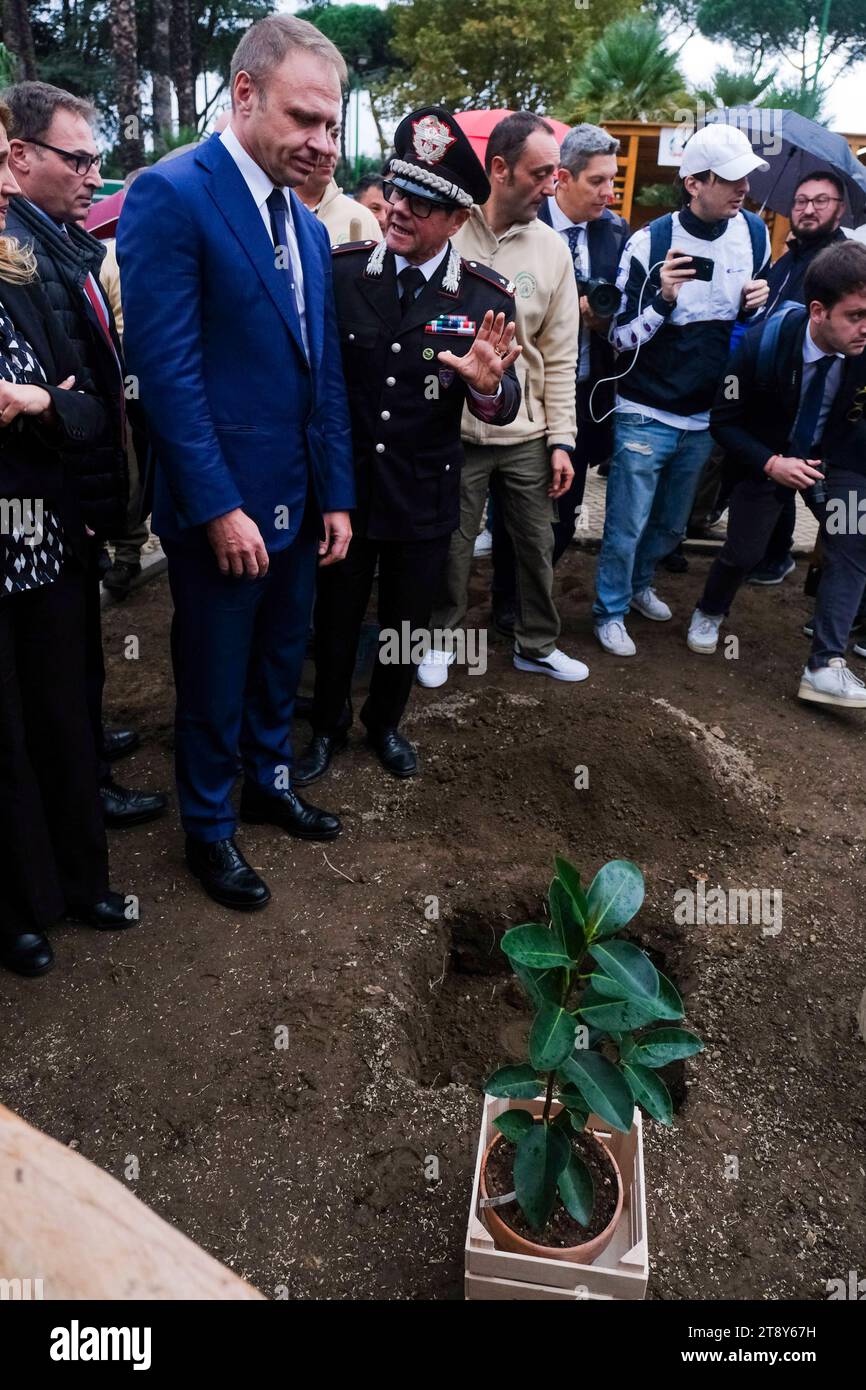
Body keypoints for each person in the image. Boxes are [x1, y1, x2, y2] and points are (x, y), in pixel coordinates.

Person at [118, 15, 356, 911]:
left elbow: (318, 367)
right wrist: (218, 507)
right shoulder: (171, 194)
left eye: (331, 125)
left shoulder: (299, 218)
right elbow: (168, 374)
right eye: (305, 119)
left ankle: (271, 779)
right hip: (225, 504)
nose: (322, 143)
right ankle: (209, 829)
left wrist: (335, 491)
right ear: (244, 93)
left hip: (299, 496)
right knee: (215, 669)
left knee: (278, 655)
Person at [295, 106, 521, 786]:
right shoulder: (341, 273)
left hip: (423, 495)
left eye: (420, 204)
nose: (397, 210)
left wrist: (484, 389)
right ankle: (328, 723)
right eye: (395, 192)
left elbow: (506, 400)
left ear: (456, 220)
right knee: (334, 621)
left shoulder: (484, 297)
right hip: (346, 492)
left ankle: (384, 724)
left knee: (405, 626)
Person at [4, 81, 168, 823]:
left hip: (81, 497)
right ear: (21, 155)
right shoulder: (20, 258)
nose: (93, 176)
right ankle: (86, 790)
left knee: (81, 654)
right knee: (60, 662)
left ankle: (91, 752)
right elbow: (60, 400)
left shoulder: (62, 243)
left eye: (96, 160)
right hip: (47, 505)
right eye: (77, 160)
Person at [0, 102, 137, 977]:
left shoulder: (17, 274)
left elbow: (91, 408)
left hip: (42, 541)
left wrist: (42, 403)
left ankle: (84, 881)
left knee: (59, 715)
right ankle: (20, 906)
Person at [418, 110, 587, 689]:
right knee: (452, 548)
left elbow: (562, 356)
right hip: (453, 431)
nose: (552, 186)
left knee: (537, 545)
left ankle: (536, 644)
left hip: (526, 437)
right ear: (499, 169)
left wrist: (562, 439)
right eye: (541, 174)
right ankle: (440, 641)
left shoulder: (553, 252)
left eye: (558, 174)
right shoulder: (448, 232)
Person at [593, 123, 771, 657]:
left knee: (672, 523)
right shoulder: (651, 241)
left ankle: (641, 584)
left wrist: (752, 306)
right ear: (694, 182)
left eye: (747, 178)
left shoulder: (756, 233)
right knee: (626, 523)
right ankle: (609, 609)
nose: (743, 189)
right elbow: (618, 339)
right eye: (731, 178)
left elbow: (746, 325)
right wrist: (664, 300)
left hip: (705, 413)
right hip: (645, 408)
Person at [687, 240, 866, 708]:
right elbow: (723, 422)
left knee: (852, 545)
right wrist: (771, 463)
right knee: (744, 552)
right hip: (766, 456)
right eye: (856, 315)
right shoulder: (760, 344)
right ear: (819, 312)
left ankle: (824, 666)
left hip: (836, 463)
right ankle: (709, 610)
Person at [489, 122, 629, 626]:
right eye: (597, 181)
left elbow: (624, 306)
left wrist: (602, 314)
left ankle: (528, 597)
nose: (608, 193)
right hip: (517, 392)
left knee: (564, 507)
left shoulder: (616, 231)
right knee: (513, 506)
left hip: (587, 389)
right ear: (563, 179)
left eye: (612, 180)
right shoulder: (521, 221)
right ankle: (505, 598)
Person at [711, 168, 851, 588]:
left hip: (818, 410)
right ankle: (771, 556)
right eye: (801, 201)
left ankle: (825, 590)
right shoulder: (788, 257)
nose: (808, 209)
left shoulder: (842, 264)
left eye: (820, 201)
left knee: (843, 524)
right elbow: (765, 320)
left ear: (839, 209)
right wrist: (753, 302)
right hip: (765, 394)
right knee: (769, 480)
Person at [296, 150, 381, 245]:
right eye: (315, 135)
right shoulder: (278, 211)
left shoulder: (364, 218)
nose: (328, 149)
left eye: (334, 136)